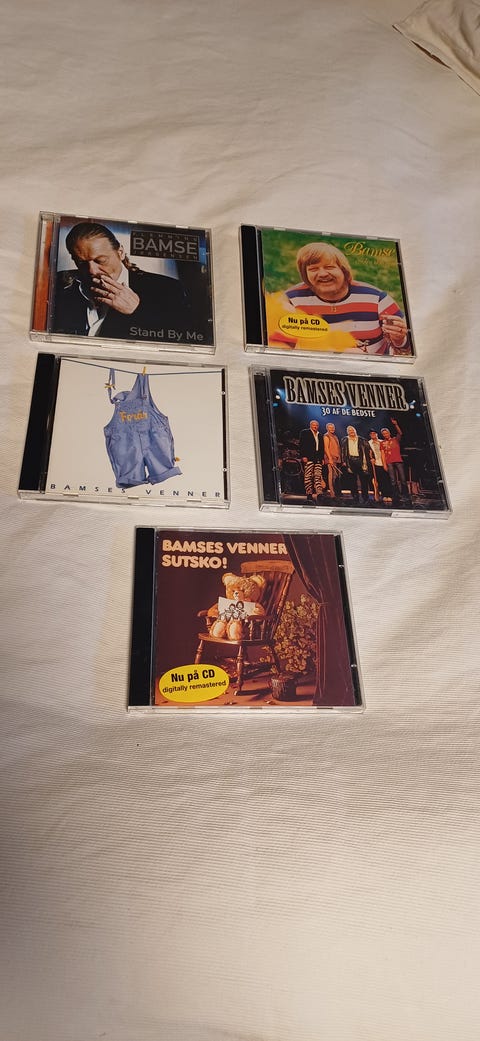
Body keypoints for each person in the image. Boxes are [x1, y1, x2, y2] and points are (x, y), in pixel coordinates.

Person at [52, 221, 190, 342]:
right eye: (81, 262)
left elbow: (182, 339)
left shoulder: (168, 288)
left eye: (100, 261)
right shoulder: (58, 284)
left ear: (121, 252)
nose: (92, 271)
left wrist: (139, 310)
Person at [273, 241, 410, 355]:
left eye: (329, 267)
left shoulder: (376, 299)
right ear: (305, 274)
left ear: (344, 270)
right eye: (313, 269)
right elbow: (278, 346)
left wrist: (400, 339)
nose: (322, 274)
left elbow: (409, 347)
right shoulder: (290, 300)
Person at [380, 418, 410, 502]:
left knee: (403, 479)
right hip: (389, 462)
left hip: (398, 461)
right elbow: (382, 454)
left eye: (386, 433)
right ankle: (396, 496)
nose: (385, 435)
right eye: (383, 434)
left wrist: (396, 425)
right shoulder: (382, 443)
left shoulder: (395, 439)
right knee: (393, 480)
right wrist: (384, 464)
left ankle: (405, 496)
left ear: (389, 433)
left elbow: (400, 433)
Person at [341, 425, 372, 504]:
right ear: (347, 432)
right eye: (349, 430)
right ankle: (355, 497)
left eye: (352, 430)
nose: (351, 432)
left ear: (355, 431)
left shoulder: (362, 440)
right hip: (350, 461)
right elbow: (343, 451)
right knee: (352, 481)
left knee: (364, 480)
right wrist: (344, 461)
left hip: (361, 460)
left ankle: (365, 497)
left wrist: (372, 458)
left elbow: (369, 450)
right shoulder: (344, 440)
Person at [298, 419, 325, 503]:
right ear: (310, 425)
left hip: (318, 458)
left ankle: (319, 493)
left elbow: (322, 447)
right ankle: (309, 494)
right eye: (314, 425)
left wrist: (322, 458)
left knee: (318, 476)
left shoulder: (320, 435)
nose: (315, 426)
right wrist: (303, 456)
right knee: (308, 476)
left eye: (316, 425)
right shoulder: (305, 432)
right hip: (308, 457)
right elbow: (301, 444)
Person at [368, 430, 392, 502]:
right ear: (370, 435)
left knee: (387, 480)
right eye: (371, 434)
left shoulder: (382, 442)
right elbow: (368, 453)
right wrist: (371, 459)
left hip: (385, 463)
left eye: (374, 433)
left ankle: (389, 495)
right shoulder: (368, 443)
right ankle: (382, 495)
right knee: (379, 481)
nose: (373, 435)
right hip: (376, 464)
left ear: (377, 434)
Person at [323, 421, 342, 499]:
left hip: (336, 459)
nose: (332, 429)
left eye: (333, 427)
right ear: (327, 428)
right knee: (331, 475)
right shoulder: (326, 436)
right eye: (330, 428)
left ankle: (336, 492)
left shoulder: (335, 436)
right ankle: (332, 493)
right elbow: (326, 448)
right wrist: (330, 458)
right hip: (330, 458)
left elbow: (337, 448)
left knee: (335, 476)